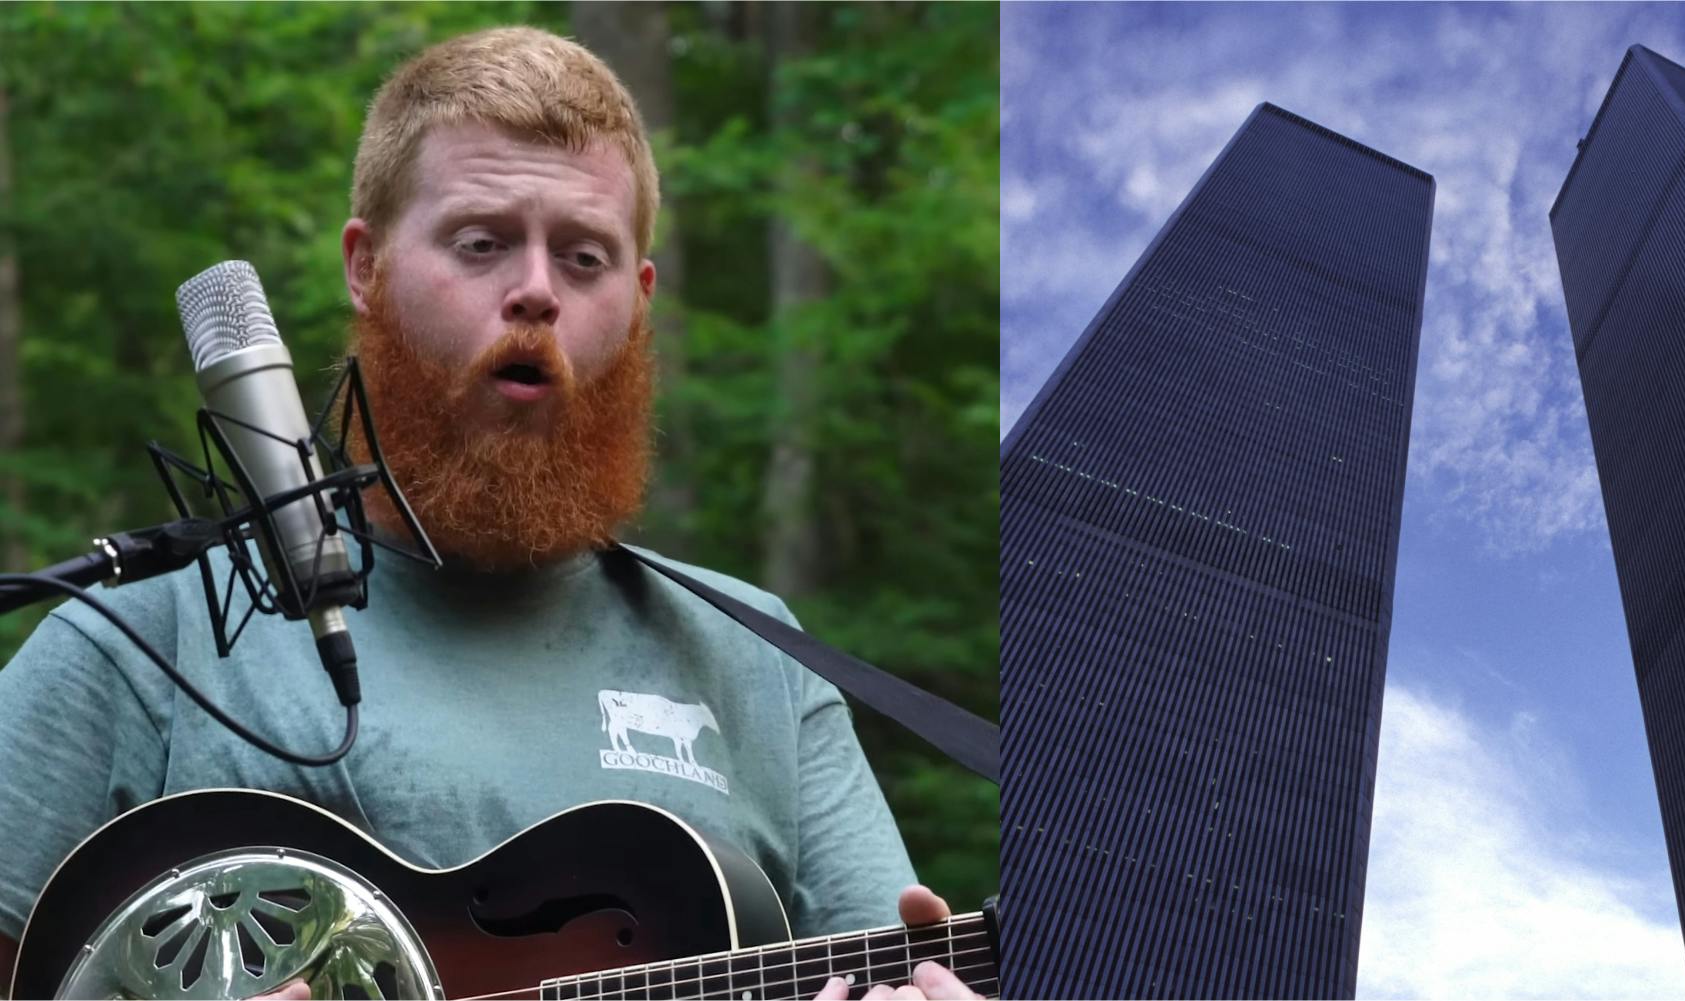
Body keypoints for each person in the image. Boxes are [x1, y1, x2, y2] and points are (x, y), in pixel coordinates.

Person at [0, 27, 978, 1001]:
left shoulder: (759, 663)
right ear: (365, 265)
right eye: (481, 242)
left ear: (639, 301)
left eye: (584, 257)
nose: (536, 292)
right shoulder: (146, 645)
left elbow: (885, 964)